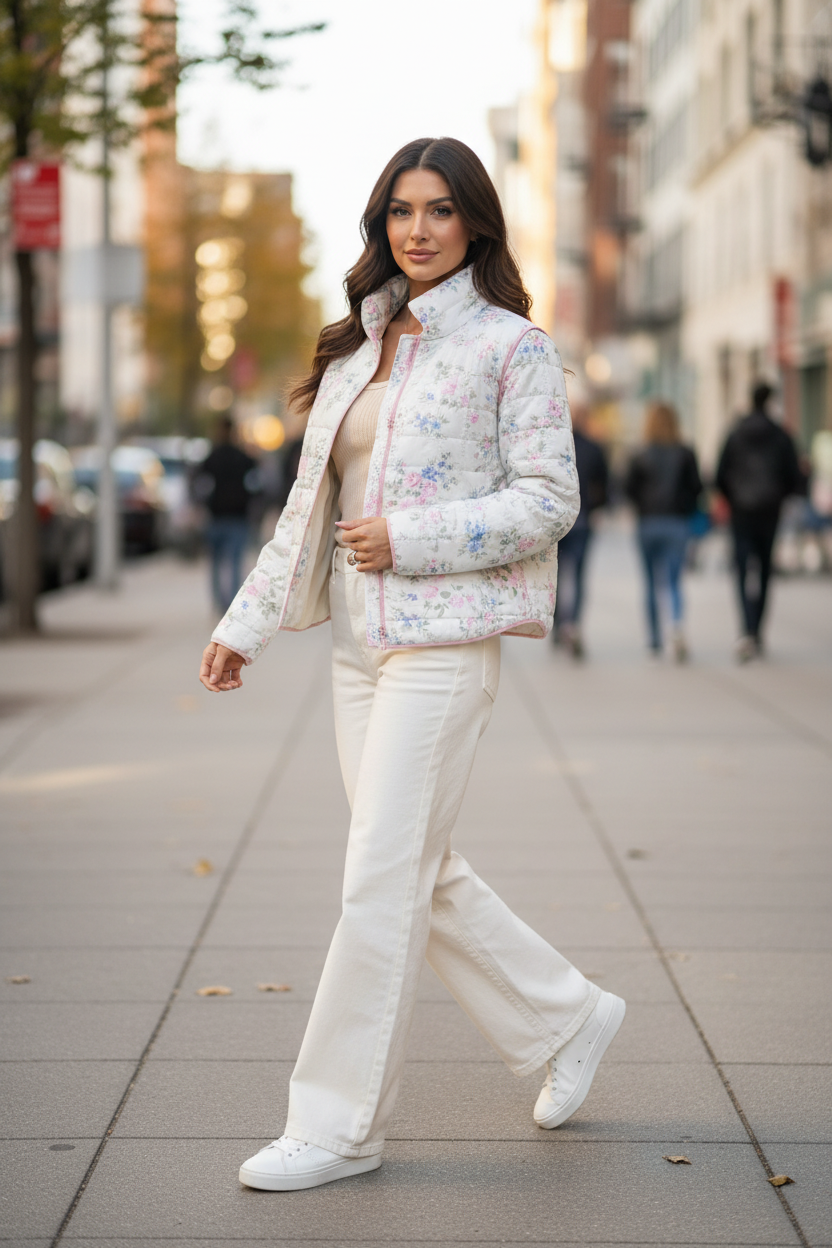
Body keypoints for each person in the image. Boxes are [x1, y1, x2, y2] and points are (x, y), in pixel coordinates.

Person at [198, 137, 625, 1193]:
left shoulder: (512, 348)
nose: (418, 229)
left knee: (379, 881)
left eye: (439, 210)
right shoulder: (358, 346)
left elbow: (548, 500)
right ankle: (565, 1016)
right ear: (380, 223)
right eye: (400, 210)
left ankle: (338, 1126)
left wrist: (414, 536)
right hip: (357, 644)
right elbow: (312, 509)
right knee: (414, 869)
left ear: (474, 222)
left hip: (444, 642)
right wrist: (243, 622)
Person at [716, 382, 804, 661]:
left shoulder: (735, 433)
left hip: (742, 512)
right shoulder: (781, 434)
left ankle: (746, 627)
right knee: (765, 569)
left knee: (742, 570)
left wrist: (733, 497)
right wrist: (780, 497)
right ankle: (757, 630)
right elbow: (795, 475)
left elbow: (720, 474)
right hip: (769, 511)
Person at [625, 402, 702, 661]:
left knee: (649, 583)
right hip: (677, 523)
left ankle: (654, 640)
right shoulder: (685, 452)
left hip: (648, 523)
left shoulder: (640, 453)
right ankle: (677, 625)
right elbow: (697, 488)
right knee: (674, 581)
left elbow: (628, 489)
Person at [552, 406, 608, 658]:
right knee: (580, 575)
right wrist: (597, 508)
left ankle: (556, 626)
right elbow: (605, 484)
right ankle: (573, 623)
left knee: (557, 575)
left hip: (559, 519)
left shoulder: (557, 448)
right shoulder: (594, 449)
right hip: (583, 517)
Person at [196, 416, 258, 614]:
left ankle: (218, 602)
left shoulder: (210, 458)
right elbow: (256, 485)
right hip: (238, 517)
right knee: (235, 562)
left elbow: (200, 486)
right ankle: (232, 603)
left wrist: (202, 506)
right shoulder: (244, 458)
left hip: (216, 516)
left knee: (215, 562)